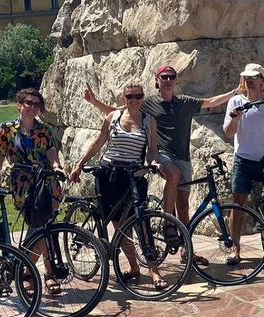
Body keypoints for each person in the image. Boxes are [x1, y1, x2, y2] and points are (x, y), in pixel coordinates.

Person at [84, 65, 241, 265]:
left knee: (183, 206)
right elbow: (117, 111)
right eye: (163, 77)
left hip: (183, 157)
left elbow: (211, 102)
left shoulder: (184, 102)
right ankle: (168, 223)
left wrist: (236, 92)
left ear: (176, 80)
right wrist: (94, 102)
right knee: (173, 176)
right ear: (157, 80)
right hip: (163, 154)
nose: (167, 80)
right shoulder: (147, 102)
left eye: (171, 76)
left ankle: (186, 250)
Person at [70, 82, 168, 287]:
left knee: (142, 222)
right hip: (109, 174)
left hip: (134, 176)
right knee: (119, 224)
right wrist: (80, 164)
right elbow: (98, 142)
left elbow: (152, 149)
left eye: (138, 96)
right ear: (123, 98)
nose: (134, 100)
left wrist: (154, 162)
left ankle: (154, 271)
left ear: (143, 98)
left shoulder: (149, 121)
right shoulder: (113, 117)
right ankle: (133, 266)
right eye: (130, 96)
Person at [0, 88, 66, 295]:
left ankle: (34, 273)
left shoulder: (44, 129)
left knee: (44, 228)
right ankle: (36, 272)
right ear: (19, 105)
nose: (32, 107)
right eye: (28, 103)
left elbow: (51, 153)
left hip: (46, 183)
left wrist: (56, 167)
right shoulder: (8, 129)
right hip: (23, 184)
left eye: (37, 104)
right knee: (37, 227)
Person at [224, 63, 264, 262]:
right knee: (238, 204)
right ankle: (235, 247)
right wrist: (235, 118)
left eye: (254, 77)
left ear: (262, 80)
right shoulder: (236, 101)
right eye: (247, 78)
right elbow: (228, 132)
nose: (250, 81)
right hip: (244, 159)